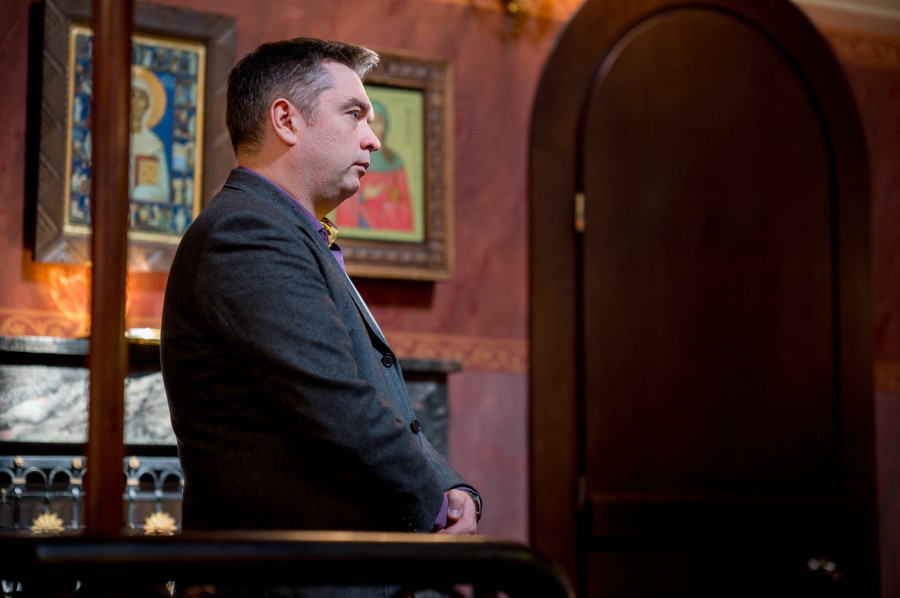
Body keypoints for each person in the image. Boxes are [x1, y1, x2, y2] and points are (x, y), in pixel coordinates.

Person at [160, 38, 481, 596]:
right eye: (354, 113)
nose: (373, 138)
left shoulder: (289, 232)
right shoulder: (246, 233)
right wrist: (436, 511)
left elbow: (376, 401)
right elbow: (338, 402)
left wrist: (454, 490)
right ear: (286, 120)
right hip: (289, 581)